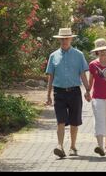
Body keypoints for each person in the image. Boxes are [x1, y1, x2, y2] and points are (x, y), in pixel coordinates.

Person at [45, 28, 91, 158]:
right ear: (59, 40)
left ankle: (73, 146)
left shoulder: (79, 55)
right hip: (58, 93)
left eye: (67, 38)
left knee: (74, 122)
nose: (64, 41)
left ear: (71, 39)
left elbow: (82, 74)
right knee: (60, 120)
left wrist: (87, 90)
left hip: (74, 92)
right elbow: (51, 76)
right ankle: (60, 146)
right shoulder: (53, 56)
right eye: (62, 39)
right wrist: (48, 95)